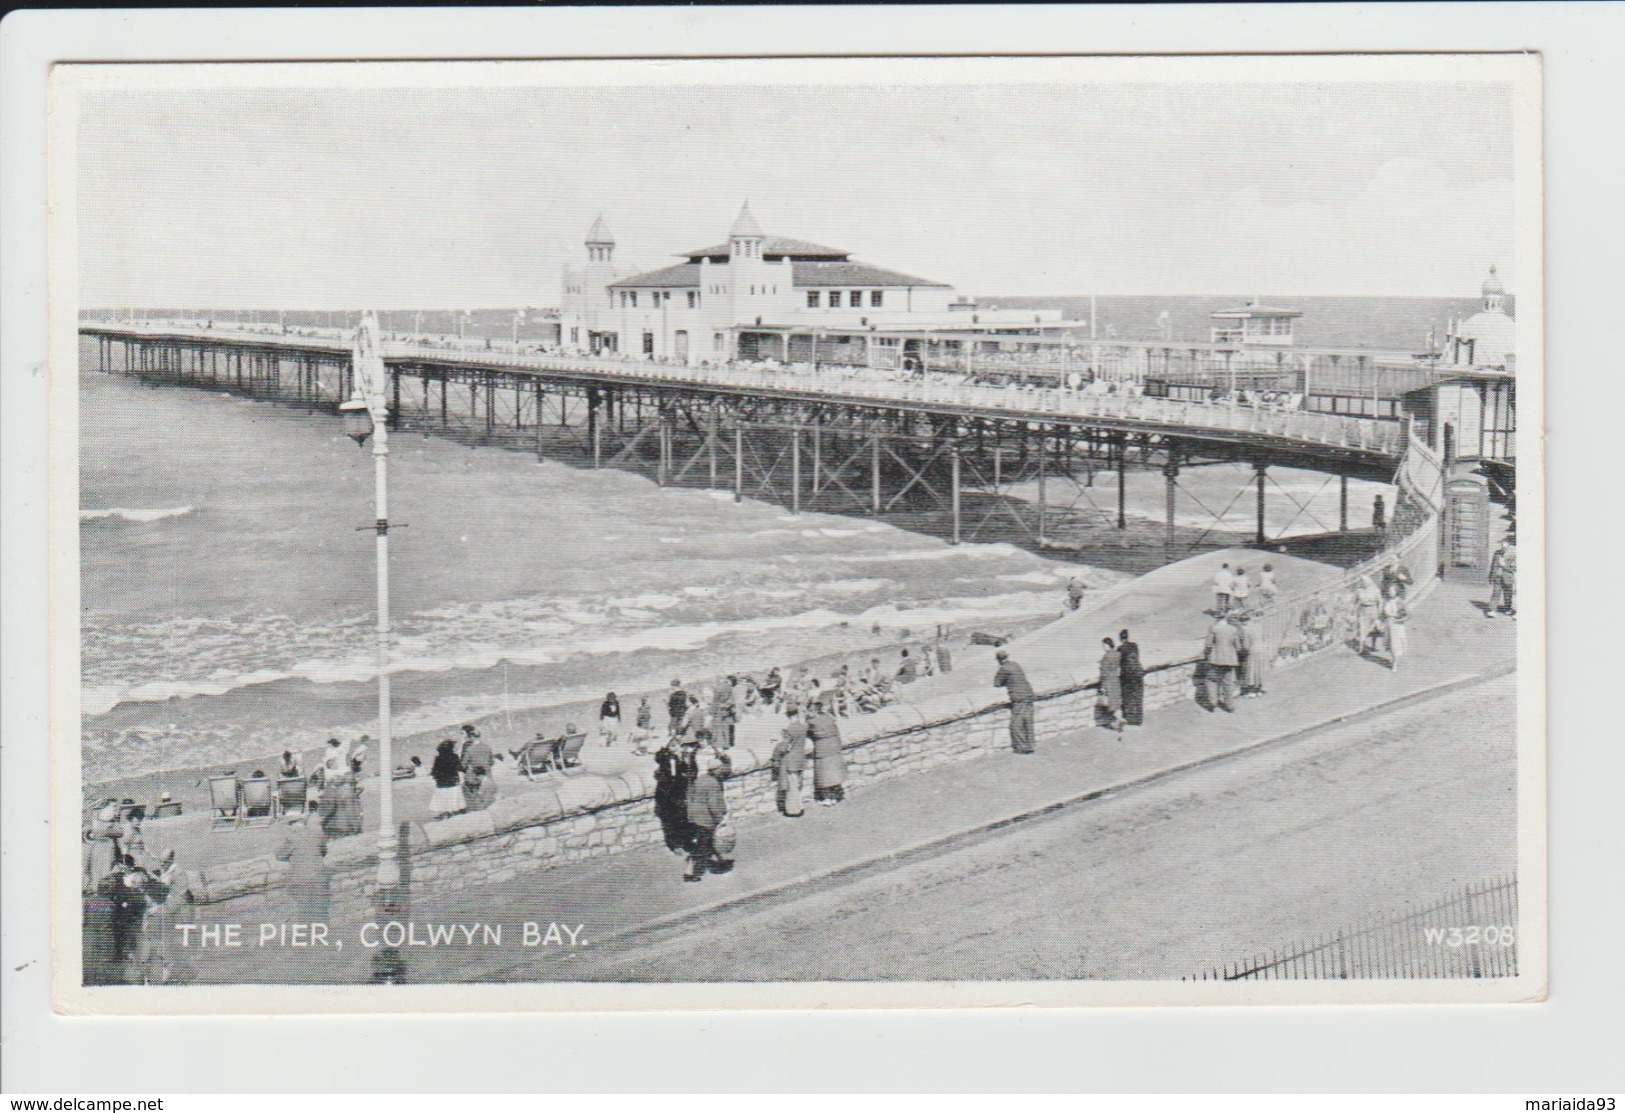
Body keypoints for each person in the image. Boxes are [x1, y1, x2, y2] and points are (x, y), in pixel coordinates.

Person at [683, 755, 730, 882]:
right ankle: (689, 872)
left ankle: (721, 860)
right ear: (716, 769)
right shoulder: (713, 783)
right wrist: (721, 819)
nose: (722, 770)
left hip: (695, 817)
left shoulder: (700, 779)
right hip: (705, 819)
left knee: (709, 841)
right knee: (702, 846)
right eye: (721, 768)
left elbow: (690, 797)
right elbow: (713, 805)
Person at [274, 820, 331, 921]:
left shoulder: (291, 837)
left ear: (291, 824)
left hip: (302, 882)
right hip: (320, 879)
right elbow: (324, 851)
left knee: (305, 914)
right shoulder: (317, 833)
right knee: (321, 913)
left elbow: (280, 855)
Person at [992, 649, 1036, 753]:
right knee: (1028, 721)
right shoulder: (1015, 664)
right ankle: (1031, 744)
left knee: (1015, 724)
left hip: (1019, 698)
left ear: (999, 660)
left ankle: (1022, 747)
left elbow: (997, 683)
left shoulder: (1004, 669)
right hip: (1028, 694)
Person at [652, 740, 691, 854]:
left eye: (677, 746)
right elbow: (658, 758)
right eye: (673, 746)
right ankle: (675, 845)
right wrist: (664, 751)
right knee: (669, 822)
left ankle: (684, 842)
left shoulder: (679, 759)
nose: (676, 748)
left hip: (678, 794)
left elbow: (685, 773)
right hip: (666, 796)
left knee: (682, 819)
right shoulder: (664, 758)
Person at [770, 708, 809, 818]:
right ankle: (800, 806)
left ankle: (793, 810)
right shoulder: (803, 727)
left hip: (790, 760)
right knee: (797, 784)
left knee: (791, 786)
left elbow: (784, 747)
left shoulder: (790, 729)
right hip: (800, 758)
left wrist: (778, 743)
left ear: (789, 716)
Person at [808, 701, 848, 806]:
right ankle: (835, 796)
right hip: (834, 748)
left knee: (824, 776)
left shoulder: (812, 722)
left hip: (823, 750)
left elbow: (809, 732)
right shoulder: (829, 718)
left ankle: (827, 798)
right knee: (834, 774)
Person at [1203, 613, 1241, 712]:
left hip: (1215, 659)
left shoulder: (1213, 628)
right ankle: (1230, 705)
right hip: (1229, 660)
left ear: (1216, 618)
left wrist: (1206, 655)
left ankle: (1212, 702)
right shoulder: (1233, 629)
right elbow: (1238, 646)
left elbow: (1208, 644)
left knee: (1212, 680)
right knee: (1228, 683)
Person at [428, 739, 464, 818]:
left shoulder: (438, 758)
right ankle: (453, 813)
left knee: (443, 798)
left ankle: (446, 813)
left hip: (441, 783)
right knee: (452, 799)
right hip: (452, 781)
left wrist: (436, 777)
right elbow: (460, 768)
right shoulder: (454, 756)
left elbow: (434, 771)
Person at [1117, 628, 1145, 726]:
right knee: (1138, 697)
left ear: (1120, 638)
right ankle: (1139, 719)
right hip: (1138, 673)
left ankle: (1131, 719)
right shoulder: (1134, 645)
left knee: (1129, 698)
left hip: (1128, 676)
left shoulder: (1120, 649)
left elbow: (1119, 663)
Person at [1096, 636, 1124, 732]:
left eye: (1104, 646)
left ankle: (1118, 720)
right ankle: (1119, 720)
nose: (1104, 648)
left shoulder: (1106, 657)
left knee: (1110, 705)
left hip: (1108, 682)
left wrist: (1103, 687)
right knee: (1116, 703)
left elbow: (1104, 673)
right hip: (1115, 679)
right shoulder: (1117, 654)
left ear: (1107, 645)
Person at [1236, 613, 1267, 698]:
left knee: (1251, 670)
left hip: (1252, 650)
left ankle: (1251, 690)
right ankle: (1258, 689)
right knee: (1259, 669)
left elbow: (1246, 645)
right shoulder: (1258, 626)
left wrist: (1241, 651)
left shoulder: (1245, 629)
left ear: (1243, 621)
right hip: (1261, 649)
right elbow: (1264, 637)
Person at [1382, 584, 1410, 670]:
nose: (1390, 592)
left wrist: (1398, 620)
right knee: (1390, 644)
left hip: (1397, 626)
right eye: (1389, 590)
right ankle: (1394, 659)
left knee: (1395, 645)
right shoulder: (1386, 601)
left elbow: (1408, 615)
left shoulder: (1400, 602)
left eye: (1392, 590)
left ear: (1396, 591)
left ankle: (1395, 663)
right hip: (1388, 624)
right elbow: (1382, 614)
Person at [1355, 574, 1383, 654]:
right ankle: (1361, 647)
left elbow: (1380, 601)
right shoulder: (1359, 590)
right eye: (1362, 581)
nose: (1363, 583)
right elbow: (1356, 601)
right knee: (1362, 628)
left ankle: (1373, 645)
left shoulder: (1375, 590)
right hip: (1363, 610)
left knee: (1374, 629)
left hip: (1373, 609)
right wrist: (1354, 611)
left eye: (1364, 581)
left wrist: (1380, 612)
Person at [1489, 540, 1517, 617]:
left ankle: (1508, 609)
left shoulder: (1513, 555)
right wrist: (1490, 576)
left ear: (1508, 546)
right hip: (1497, 577)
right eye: (1502, 546)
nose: (1503, 548)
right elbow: (1493, 565)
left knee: (1508, 595)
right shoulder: (1496, 553)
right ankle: (1492, 611)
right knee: (1495, 594)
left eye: (1505, 547)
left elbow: (1514, 569)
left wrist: (1504, 565)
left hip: (1507, 577)